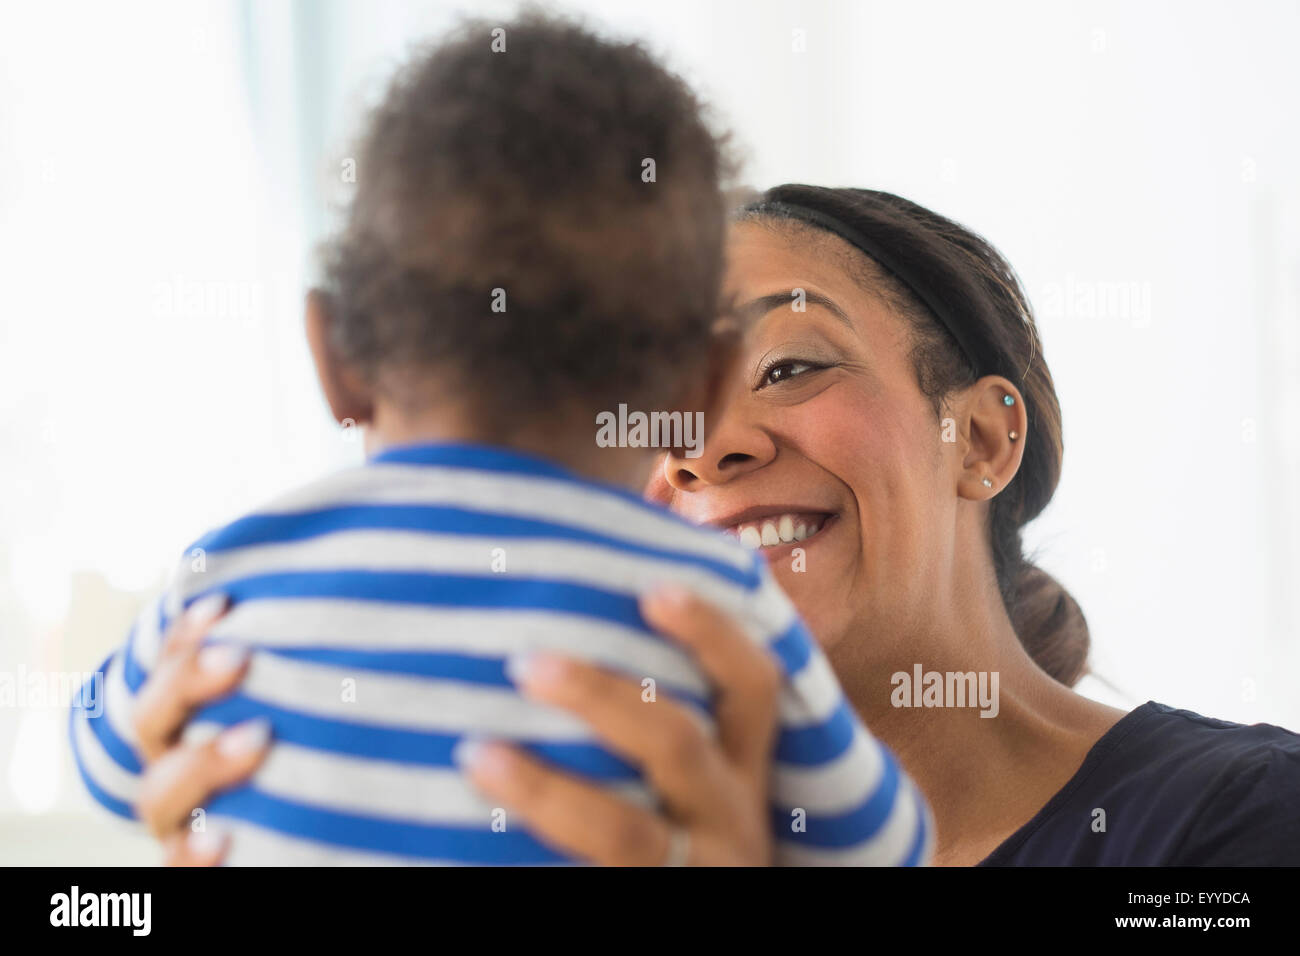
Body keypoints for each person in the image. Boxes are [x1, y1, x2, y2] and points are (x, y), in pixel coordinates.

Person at [115, 182, 1300, 867]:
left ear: (981, 439)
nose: (697, 443)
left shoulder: (1239, 824)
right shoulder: (557, 823)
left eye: (786, 364)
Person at [68, 19, 930, 866]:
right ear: (701, 389)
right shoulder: (708, 605)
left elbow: (106, 756)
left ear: (333, 359)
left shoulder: (230, 572)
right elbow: (885, 842)